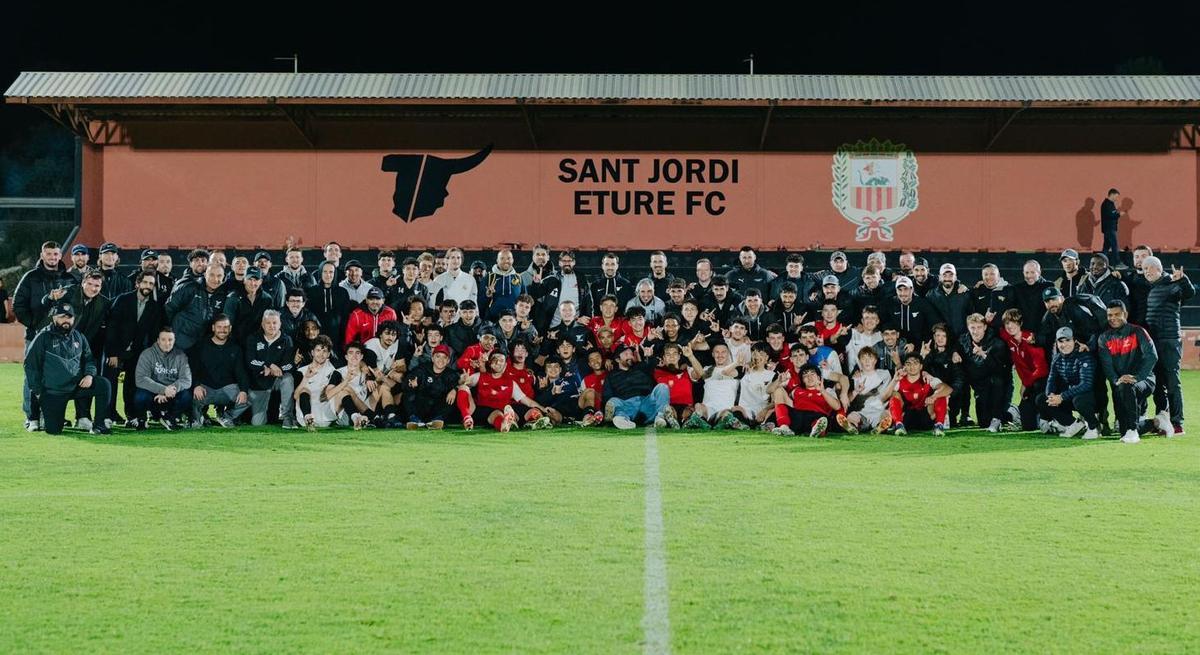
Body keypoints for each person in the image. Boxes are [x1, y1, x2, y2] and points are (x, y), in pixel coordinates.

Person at [24, 301, 112, 435]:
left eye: (69, 317)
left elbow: (89, 360)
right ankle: (41, 416)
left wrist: (89, 375)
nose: (66, 320)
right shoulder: (43, 337)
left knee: (103, 384)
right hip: (54, 392)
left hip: (76, 386)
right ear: (54, 318)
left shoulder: (79, 336)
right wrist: (38, 392)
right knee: (53, 430)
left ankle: (99, 425)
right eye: (62, 317)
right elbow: (31, 366)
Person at [14, 240, 71, 431]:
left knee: (57, 375)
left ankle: (52, 414)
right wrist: (33, 324)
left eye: (55, 254)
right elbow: (18, 305)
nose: (52, 257)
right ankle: (31, 416)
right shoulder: (30, 277)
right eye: (49, 254)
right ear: (42, 255)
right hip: (35, 336)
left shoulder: (68, 278)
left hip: (60, 338)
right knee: (32, 374)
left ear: (60, 255)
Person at [1142, 257, 1193, 435]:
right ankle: (1162, 420)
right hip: (1153, 342)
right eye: (1144, 269)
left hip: (1169, 340)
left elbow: (1189, 293)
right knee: (1157, 384)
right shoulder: (1150, 288)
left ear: (1159, 268)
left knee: (1172, 382)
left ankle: (1177, 423)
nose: (1146, 272)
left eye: (1149, 268)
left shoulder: (1172, 283)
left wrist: (1183, 279)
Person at [106, 271, 165, 426]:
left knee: (131, 385)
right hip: (117, 350)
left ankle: (131, 416)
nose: (148, 286)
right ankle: (108, 416)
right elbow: (112, 328)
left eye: (151, 284)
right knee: (111, 384)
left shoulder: (154, 307)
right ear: (138, 283)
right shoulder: (123, 300)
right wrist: (112, 353)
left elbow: (153, 334)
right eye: (145, 282)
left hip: (137, 352)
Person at [1097, 300, 1159, 444]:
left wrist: (1137, 377)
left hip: (1145, 380)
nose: (1113, 318)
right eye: (1110, 315)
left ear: (1125, 314)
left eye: (1117, 314)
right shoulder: (1104, 338)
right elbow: (1107, 366)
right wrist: (1116, 380)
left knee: (1127, 386)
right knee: (1122, 430)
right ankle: (1156, 423)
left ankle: (1133, 431)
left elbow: (1152, 356)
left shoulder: (1138, 331)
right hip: (1119, 384)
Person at [62, 271, 111, 430]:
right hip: (62, 346)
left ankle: (83, 417)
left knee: (87, 380)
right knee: (58, 380)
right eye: (89, 284)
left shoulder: (104, 302)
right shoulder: (68, 293)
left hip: (86, 348)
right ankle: (48, 415)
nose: (93, 288)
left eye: (97, 285)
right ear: (82, 283)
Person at [456, 351, 550, 432]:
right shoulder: (480, 376)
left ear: (505, 365)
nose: (498, 363)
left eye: (501, 360)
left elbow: (528, 401)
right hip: (483, 412)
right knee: (463, 387)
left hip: (504, 411)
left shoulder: (511, 383)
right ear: (490, 363)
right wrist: (462, 380)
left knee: (532, 410)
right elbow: (463, 383)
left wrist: (542, 408)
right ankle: (467, 418)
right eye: (495, 360)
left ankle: (535, 421)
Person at [189, 314, 251, 427]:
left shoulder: (235, 348)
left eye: (226, 327)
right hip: (206, 388)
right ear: (213, 328)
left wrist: (243, 391)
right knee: (189, 394)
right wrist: (196, 385)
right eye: (219, 327)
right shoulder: (201, 345)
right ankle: (198, 418)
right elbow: (193, 368)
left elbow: (241, 372)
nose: (222, 330)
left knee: (250, 396)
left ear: (230, 328)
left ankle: (226, 417)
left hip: (227, 388)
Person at [1038, 327, 1099, 440]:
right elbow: (1051, 379)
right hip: (1070, 394)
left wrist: (1062, 396)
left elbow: (1086, 384)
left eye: (1068, 340)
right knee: (1042, 399)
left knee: (1079, 400)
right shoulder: (1057, 358)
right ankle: (1074, 424)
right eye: (1061, 341)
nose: (1064, 344)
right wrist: (1051, 395)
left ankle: (1094, 427)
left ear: (1074, 341)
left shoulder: (1084, 356)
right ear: (1056, 343)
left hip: (1090, 396)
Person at [960, 313, 1014, 433]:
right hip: (979, 386)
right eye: (972, 328)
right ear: (968, 328)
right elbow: (954, 347)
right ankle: (1006, 414)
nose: (975, 331)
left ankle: (1003, 414)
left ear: (985, 327)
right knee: (984, 422)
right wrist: (954, 353)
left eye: (979, 327)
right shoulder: (963, 341)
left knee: (997, 381)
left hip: (996, 384)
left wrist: (984, 355)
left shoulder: (997, 343)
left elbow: (1001, 370)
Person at [999, 309, 1050, 431]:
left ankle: (1047, 416)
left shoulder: (1030, 340)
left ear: (1020, 323)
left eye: (1013, 322)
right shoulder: (1010, 339)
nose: (1010, 326)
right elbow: (998, 330)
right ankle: (1020, 411)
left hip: (1041, 382)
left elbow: (1042, 370)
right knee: (1028, 426)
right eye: (1007, 323)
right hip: (1029, 384)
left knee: (1038, 391)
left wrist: (1026, 384)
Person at [134, 326, 192, 430]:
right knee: (140, 396)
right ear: (158, 340)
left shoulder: (181, 356)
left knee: (186, 396)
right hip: (153, 394)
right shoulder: (147, 354)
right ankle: (142, 419)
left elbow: (186, 380)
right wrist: (163, 390)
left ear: (174, 341)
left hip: (172, 393)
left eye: (170, 340)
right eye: (163, 339)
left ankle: (170, 418)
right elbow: (141, 379)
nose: (167, 343)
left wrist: (170, 389)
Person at [245, 310, 297, 428]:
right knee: (258, 423)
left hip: (278, 379)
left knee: (288, 379)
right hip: (260, 382)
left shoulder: (286, 339)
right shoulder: (253, 338)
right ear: (263, 324)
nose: (271, 326)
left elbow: (290, 364)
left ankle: (287, 417)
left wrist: (277, 369)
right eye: (268, 323)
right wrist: (268, 365)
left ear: (280, 324)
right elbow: (250, 361)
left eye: (274, 323)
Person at [880, 352, 950, 436]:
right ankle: (899, 425)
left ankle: (939, 426)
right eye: (908, 364)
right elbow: (883, 398)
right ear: (904, 367)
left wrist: (934, 396)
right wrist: (894, 380)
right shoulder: (900, 380)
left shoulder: (928, 379)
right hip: (906, 418)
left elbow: (948, 389)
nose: (912, 366)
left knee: (941, 394)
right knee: (894, 394)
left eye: (915, 363)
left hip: (926, 417)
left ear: (921, 366)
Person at [603, 343, 671, 429]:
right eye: (626, 354)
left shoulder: (641, 367)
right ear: (617, 359)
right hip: (627, 405)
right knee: (613, 401)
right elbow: (607, 395)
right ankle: (623, 420)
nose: (630, 356)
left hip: (646, 403)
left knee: (662, 387)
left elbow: (651, 366)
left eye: (631, 354)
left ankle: (660, 418)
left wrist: (650, 357)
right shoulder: (611, 376)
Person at [165, 264, 228, 353]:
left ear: (223, 277)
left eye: (219, 276)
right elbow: (168, 309)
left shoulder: (223, 296)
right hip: (178, 342)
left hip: (199, 345)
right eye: (211, 275)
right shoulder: (189, 288)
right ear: (205, 274)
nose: (215, 279)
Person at [770, 364, 840, 437]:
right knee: (778, 390)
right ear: (803, 380)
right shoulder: (796, 390)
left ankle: (817, 430)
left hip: (816, 417)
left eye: (812, 374)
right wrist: (778, 381)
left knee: (821, 419)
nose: (809, 377)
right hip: (798, 418)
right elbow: (769, 391)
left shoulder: (827, 390)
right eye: (805, 376)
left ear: (818, 377)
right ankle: (784, 427)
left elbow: (837, 407)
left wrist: (822, 391)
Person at [401, 344, 461, 429]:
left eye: (444, 357)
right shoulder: (423, 369)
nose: (441, 360)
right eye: (438, 356)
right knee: (409, 391)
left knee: (453, 397)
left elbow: (459, 383)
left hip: (436, 409)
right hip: (421, 406)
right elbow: (410, 378)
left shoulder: (451, 374)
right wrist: (411, 383)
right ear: (432, 358)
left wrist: (455, 389)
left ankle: (437, 420)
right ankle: (414, 419)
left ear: (448, 361)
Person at [835, 348, 893, 434]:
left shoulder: (885, 374)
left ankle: (880, 427)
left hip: (880, 411)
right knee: (852, 416)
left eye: (870, 358)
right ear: (859, 361)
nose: (867, 361)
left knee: (887, 414)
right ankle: (852, 426)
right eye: (863, 358)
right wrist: (856, 391)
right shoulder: (855, 379)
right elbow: (847, 401)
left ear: (875, 360)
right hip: (862, 413)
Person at [293, 335, 345, 429]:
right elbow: (296, 396)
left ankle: (356, 417)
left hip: (325, 417)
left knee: (341, 390)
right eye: (318, 350)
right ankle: (308, 418)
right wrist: (306, 378)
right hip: (304, 418)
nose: (321, 354)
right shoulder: (301, 371)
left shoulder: (334, 372)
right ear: (312, 352)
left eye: (324, 351)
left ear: (328, 354)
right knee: (304, 390)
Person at [306, 261, 351, 349]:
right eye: (325, 272)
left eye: (331, 272)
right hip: (316, 336)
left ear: (335, 274)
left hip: (337, 337)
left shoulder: (342, 292)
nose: (328, 275)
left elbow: (345, 317)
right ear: (320, 273)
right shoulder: (311, 292)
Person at [224, 267, 274, 345]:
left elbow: (268, 323)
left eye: (256, 280)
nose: (252, 283)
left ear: (260, 281)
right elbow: (227, 323)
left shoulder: (267, 299)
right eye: (250, 279)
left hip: (258, 343)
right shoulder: (233, 297)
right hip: (236, 342)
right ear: (244, 280)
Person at [1100, 188, 1124, 265]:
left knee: (1106, 248)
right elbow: (1110, 215)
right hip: (1109, 229)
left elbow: (1111, 214)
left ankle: (1101, 262)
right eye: (1116, 197)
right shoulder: (1107, 204)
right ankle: (1117, 263)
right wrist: (1119, 214)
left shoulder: (1110, 204)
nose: (1116, 199)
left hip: (1109, 228)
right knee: (1114, 246)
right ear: (1112, 195)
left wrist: (1116, 214)